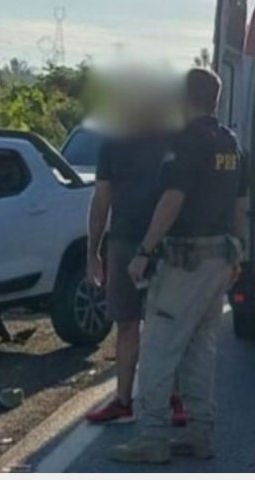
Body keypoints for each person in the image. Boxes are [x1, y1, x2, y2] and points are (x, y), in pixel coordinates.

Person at [110, 68, 248, 464]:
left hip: (183, 262)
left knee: (159, 349)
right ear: (216, 99)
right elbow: (239, 209)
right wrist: (237, 253)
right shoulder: (231, 144)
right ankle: (199, 434)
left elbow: (173, 198)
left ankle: (152, 437)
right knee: (201, 350)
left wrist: (144, 251)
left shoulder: (186, 142)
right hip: (219, 260)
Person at [86, 121, 187, 425]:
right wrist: (93, 252)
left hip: (166, 244)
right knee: (127, 324)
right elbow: (101, 198)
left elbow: (182, 193)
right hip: (122, 242)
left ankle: (175, 397)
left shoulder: (175, 138)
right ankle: (123, 400)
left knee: (166, 325)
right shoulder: (112, 143)